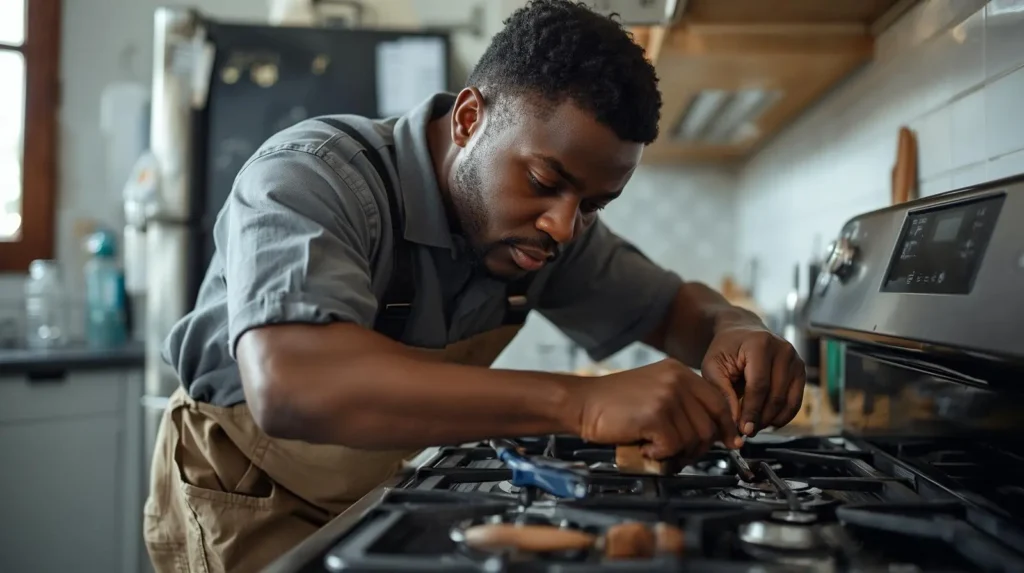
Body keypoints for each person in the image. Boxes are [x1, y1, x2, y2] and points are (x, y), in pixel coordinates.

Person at [142, 1, 806, 571]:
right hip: (249, 500)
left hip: (376, 495)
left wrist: (737, 328)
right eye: (545, 182)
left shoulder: (546, 234)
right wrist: (580, 403)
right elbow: (291, 384)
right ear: (468, 119)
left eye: (595, 203)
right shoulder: (313, 177)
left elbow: (678, 309)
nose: (565, 226)